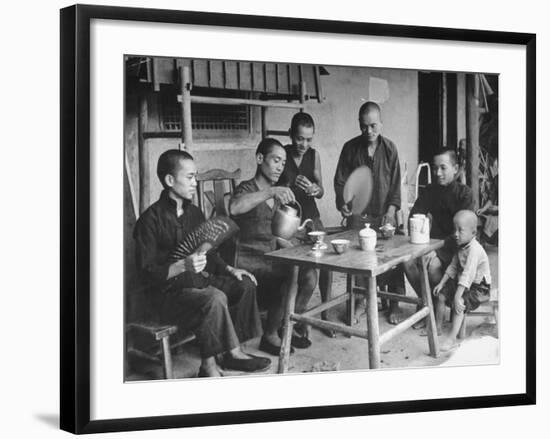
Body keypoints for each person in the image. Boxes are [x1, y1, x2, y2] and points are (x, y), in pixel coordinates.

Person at [133, 149, 271, 378]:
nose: (195, 183)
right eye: (189, 177)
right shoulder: (149, 220)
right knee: (214, 297)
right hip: (166, 294)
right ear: (169, 180)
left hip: (197, 281)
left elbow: (210, 253)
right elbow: (147, 275)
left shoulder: (195, 213)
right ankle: (216, 363)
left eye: (195, 176)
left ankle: (230, 350)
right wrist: (181, 266)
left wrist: (231, 269)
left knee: (245, 284)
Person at [230, 138, 318, 356]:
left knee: (309, 273)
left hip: (270, 256)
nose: (280, 166)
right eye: (276, 160)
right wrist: (270, 192)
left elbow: (276, 234)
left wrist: (299, 239)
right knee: (291, 272)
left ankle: (286, 326)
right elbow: (234, 207)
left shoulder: (277, 195)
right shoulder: (247, 189)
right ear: (260, 159)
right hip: (249, 259)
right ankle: (269, 336)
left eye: (283, 162)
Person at [333, 101, 405, 324]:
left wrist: (392, 211)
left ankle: (394, 303)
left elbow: (395, 186)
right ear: (359, 125)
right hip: (359, 215)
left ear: (381, 123)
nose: (369, 131)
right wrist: (343, 202)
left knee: (394, 255)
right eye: (364, 126)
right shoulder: (350, 148)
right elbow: (340, 181)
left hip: (385, 213)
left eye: (373, 126)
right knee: (355, 256)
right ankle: (360, 301)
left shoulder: (390, 148)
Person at [403, 149, 474, 329]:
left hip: (458, 249)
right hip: (433, 245)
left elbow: (464, 233)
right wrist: (423, 226)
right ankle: (428, 305)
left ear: (455, 168)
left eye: (443, 168)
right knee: (407, 262)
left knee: (432, 265)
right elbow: (415, 214)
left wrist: (437, 248)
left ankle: (433, 309)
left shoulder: (464, 194)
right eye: (435, 168)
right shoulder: (430, 190)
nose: (438, 173)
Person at [278, 112, 334, 337]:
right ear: (291, 134)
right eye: (300, 138)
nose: (304, 144)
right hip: (290, 219)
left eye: (309, 139)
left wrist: (314, 189)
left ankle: (326, 313)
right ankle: (296, 316)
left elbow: (321, 191)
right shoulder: (282, 154)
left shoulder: (314, 155)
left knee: (328, 262)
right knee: (300, 269)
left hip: (312, 216)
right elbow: (273, 188)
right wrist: (289, 185)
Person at [432, 210, 492, 351]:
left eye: (460, 230)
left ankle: (452, 338)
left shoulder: (475, 250)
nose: (456, 234)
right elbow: (453, 266)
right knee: (441, 295)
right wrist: (441, 283)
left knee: (460, 303)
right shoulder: (461, 246)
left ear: (473, 233)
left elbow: (468, 275)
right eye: (455, 230)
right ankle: (438, 328)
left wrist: (458, 296)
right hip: (465, 283)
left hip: (479, 287)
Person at [477, 156, 498, 245]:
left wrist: (498, 208)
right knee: (479, 216)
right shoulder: (497, 179)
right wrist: (483, 209)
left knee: (493, 221)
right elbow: (491, 198)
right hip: (495, 210)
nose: (495, 168)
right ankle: (479, 244)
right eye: (495, 166)